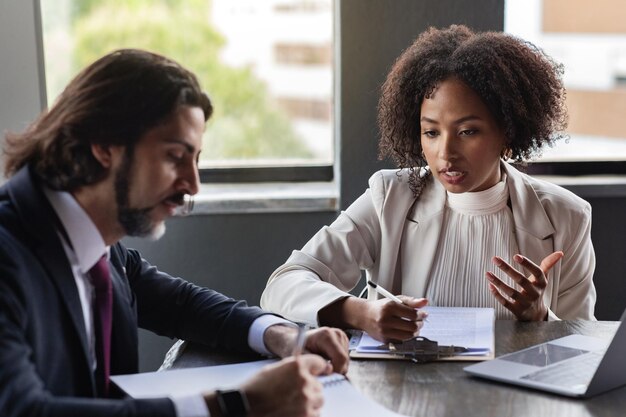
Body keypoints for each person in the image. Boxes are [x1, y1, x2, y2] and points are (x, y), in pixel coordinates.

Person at [0, 48, 349, 417]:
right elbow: (23, 410)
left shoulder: (96, 242)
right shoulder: (9, 253)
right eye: (174, 156)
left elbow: (178, 304)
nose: (193, 185)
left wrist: (281, 335)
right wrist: (236, 405)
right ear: (103, 145)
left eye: (196, 159)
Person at [261, 25, 597, 342]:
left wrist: (540, 315)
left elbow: (581, 349)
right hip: (404, 396)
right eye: (431, 132)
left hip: (515, 401)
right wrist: (361, 312)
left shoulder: (567, 216)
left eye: (468, 131)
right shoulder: (390, 197)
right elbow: (283, 285)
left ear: (507, 133)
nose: (445, 153)